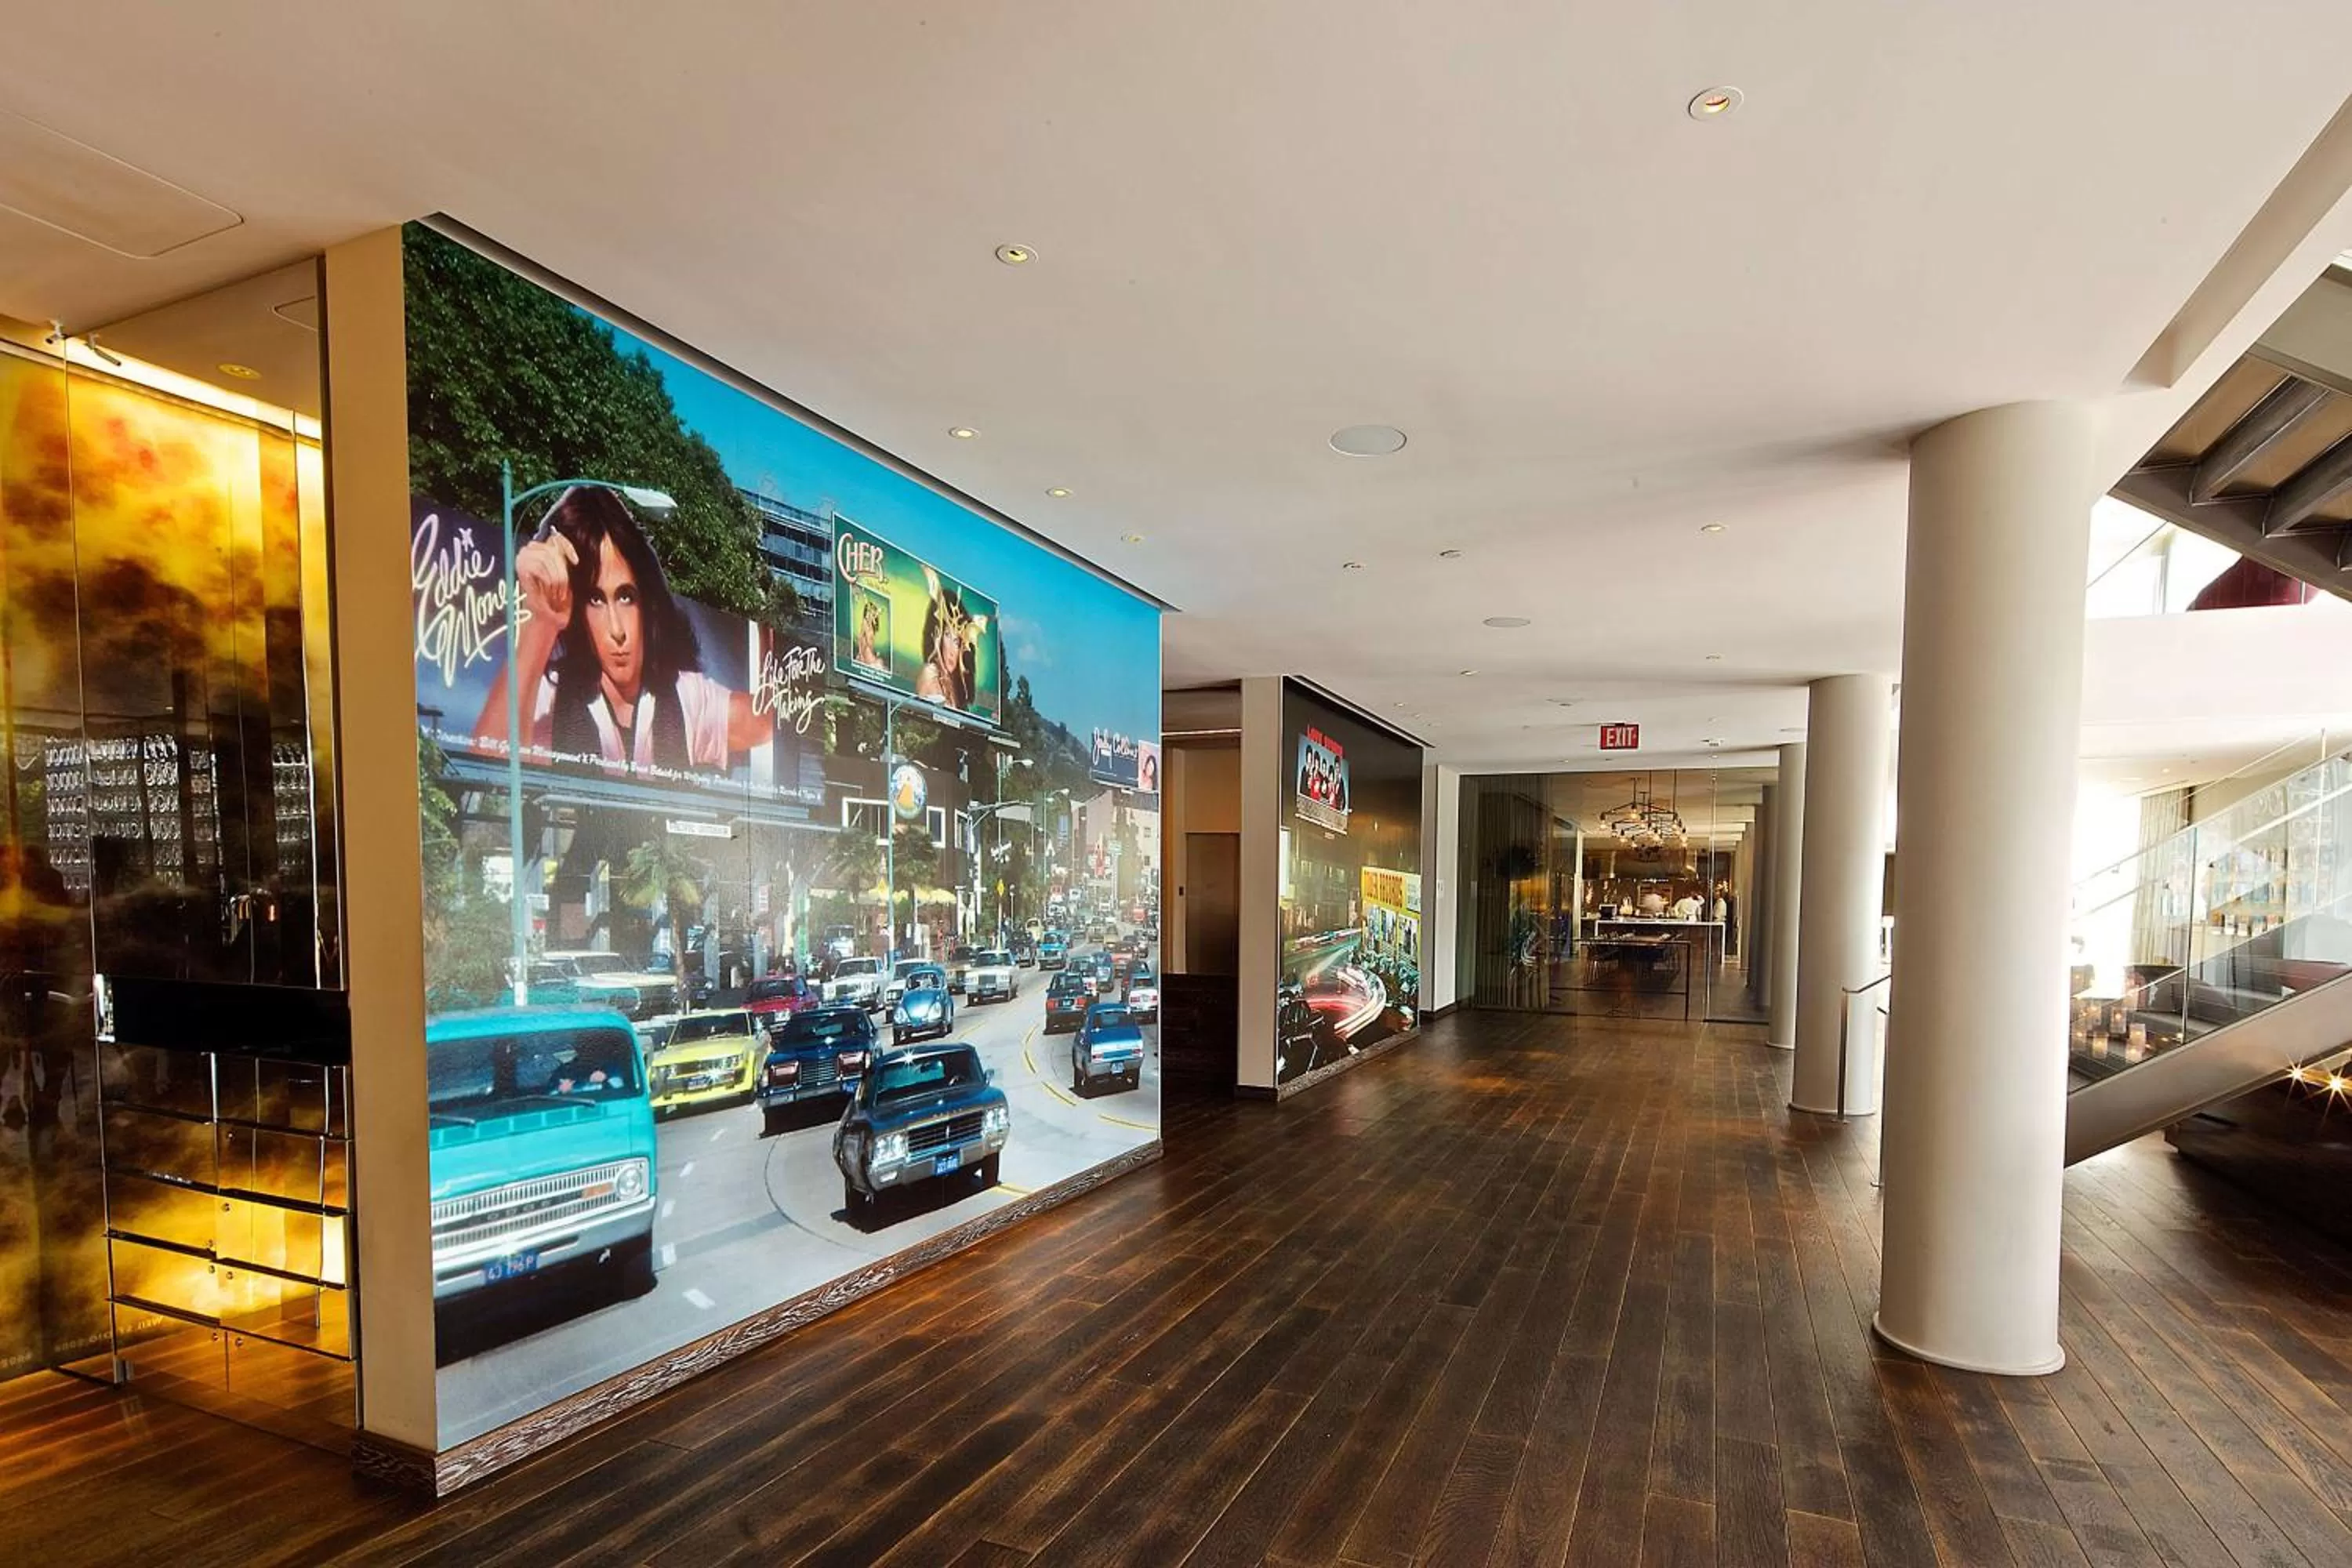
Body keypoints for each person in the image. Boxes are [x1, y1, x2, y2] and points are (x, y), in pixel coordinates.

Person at [476, 486, 767, 772]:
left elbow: (770, 720)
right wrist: (540, 621)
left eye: (625, 596)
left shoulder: (685, 695)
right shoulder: (546, 696)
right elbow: (486, 773)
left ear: (647, 601)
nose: (617, 631)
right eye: (595, 600)